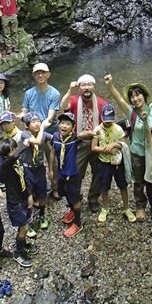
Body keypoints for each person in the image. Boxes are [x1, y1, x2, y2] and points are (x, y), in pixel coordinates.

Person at [104, 75, 152, 222]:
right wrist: (110, 85)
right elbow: (119, 99)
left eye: (138, 95)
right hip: (138, 152)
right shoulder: (131, 112)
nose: (135, 99)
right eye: (132, 97)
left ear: (144, 96)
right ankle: (140, 205)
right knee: (139, 181)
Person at [59, 75, 107, 213]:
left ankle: (93, 198)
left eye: (89, 85)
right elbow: (63, 106)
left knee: (98, 172)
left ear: (94, 87)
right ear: (79, 88)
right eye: (83, 85)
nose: (87, 88)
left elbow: (107, 123)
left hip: (95, 141)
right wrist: (69, 90)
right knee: (76, 172)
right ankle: (75, 197)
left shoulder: (101, 103)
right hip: (78, 141)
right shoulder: (74, 100)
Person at [49, 111, 97, 237]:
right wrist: (51, 169)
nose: (64, 126)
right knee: (65, 195)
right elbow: (53, 152)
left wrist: (92, 133)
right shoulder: (55, 137)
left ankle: (77, 223)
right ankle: (72, 210)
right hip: (61, 173)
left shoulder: (74, 138)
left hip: (72, 174)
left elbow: (82, 135)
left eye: (68, 124)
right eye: (62, 123)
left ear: (73, 127)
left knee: (75, 197)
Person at [18, 62, 61, 199]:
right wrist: (18, 117)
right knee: (34, 161)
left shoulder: (54, 93)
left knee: (52, 159)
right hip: (32, 132)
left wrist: (40, 127)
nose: (40, 75)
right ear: (33, 76)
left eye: (43, 72)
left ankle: (55, 187)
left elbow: (50, 117)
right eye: (37, 73)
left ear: (48, 75)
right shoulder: (29, 93)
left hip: (49, 131)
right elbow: (24, 112)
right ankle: (36, 188)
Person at [91, 104, 137, 224]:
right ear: (101, 118)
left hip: (117, 162)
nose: (108, 123)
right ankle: (105, 208)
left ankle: (126, 208)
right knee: (104, 186)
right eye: (106, 121)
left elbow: (124, 144)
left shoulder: (118, 129)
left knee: (123, 185)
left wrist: (114, 145)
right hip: (104, 162)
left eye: (110, 121)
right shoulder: (97, 130)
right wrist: (105, 149)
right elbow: (93, 147)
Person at [0, 138, 37, 267]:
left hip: (23, 197)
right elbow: (13, 158)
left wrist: (30, 195)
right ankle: (18, 252)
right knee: (24, 227)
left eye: (15, 149)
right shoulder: (5, 165)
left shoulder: (17, 162)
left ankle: (23, 243)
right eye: (12, 151)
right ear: (5, 155)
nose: (15, 153)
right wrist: (22, 146)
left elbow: (25, 177)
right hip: (15, 202)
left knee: (24, 225)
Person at [19, 111, 52, 229]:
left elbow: (54, 138)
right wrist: (43, 127)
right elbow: (37, 141)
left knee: (42, 193)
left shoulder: (43, 134)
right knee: (28, 195)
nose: (37, 124)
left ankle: (42, 215)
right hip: (27, 169)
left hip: (39, 168)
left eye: (38, 121)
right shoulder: (25, 134)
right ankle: (29, 219)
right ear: (27, 125)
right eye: (33, 122)